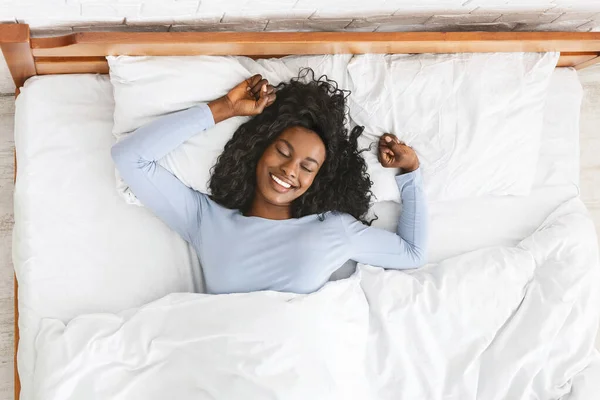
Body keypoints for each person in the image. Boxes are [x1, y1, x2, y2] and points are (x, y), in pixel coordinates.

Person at [111, 70, 428, 295]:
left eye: (307, 166)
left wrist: (411, 171)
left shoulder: (335, 229)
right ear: (258, 151)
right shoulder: (205, 219)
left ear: (318, 180)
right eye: (283, 152)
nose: (290, 170)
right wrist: (225, 108)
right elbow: (130, 158)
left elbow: (411, 254)